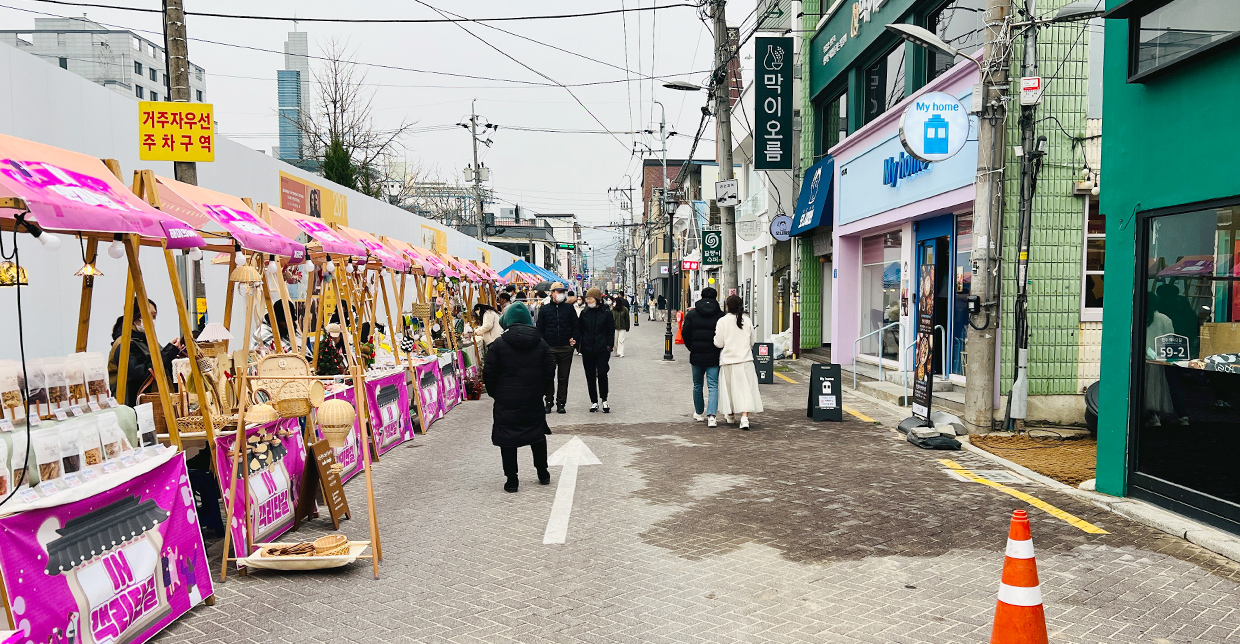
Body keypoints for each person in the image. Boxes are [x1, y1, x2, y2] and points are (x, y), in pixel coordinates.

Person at [483, 303, 555, 493]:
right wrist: (542, 390)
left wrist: (495, 393)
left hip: (506, 399)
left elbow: (488, 373)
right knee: (537, 435)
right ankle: (543, 472)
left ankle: (512, 480)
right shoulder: (540, 342)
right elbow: (550, 368)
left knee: (507, 438)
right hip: (532, 397)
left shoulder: (498, 345)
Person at [108, 298, 182, 407]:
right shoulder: (124, 344)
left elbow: (159, 364)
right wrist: (169, 352)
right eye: (148, 316)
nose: (152, 320)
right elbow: (142, 373)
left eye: (154, 317)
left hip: (153, 405)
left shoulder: (149, 341)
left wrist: (174, 353)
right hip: (134, 407)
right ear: (134, 317)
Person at [714, 295, 764, 429]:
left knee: (729, 389)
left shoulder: (722, 321)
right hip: (745, 360)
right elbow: (752, 342)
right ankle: (745, 418)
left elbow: (718, 343)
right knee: (745, 389)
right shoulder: (747, 321)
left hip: (728, 360)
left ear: (727, 306)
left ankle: (730, 415)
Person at [681, 287, 725, 426]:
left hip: (696, 355)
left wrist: (692, 347)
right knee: (713, 385)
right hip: (714, 355)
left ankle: (699, 413)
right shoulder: (721, 316)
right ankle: (712, 416)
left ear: (701, 296)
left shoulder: (692, 314)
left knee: (697, 385)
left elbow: (685, 334)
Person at [535, 282, 579, 414]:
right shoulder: (545, 309)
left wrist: (574, 341)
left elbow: (576, 326)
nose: (560, 294)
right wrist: (542, 344)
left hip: (566, 348)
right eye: (558, 291)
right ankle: (548, 401)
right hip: (549, 348)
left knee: (563, 377)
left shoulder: (569, 309)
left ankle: (561, 403)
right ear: (552, 293)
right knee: (548, 376)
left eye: (562, 291)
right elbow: (540, 328)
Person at [577, 288, 616, 413]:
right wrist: (579, 345)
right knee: (590, 375)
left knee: (603, 373)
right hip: (587, 349)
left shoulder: (606, 312)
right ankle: (593, 401)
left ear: (597, 299)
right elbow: (580, 330)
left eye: (590, 298)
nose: (588, 301)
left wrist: (609, 345)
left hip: (602, 349)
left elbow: (611, 330)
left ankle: (604, 399)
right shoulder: (584, 313)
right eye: (587, 299)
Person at [611, 293, 630, 357]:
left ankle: (620, 352)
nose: (614, 303)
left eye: (615, 302)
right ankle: (616, 352)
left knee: (621, 340)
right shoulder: (613, 310)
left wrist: (627, 327)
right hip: (615, 327)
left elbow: (627, 319)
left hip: (623, 327)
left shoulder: (625, 309)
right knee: (615, 341)